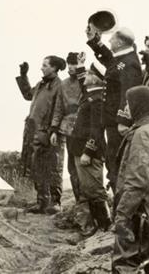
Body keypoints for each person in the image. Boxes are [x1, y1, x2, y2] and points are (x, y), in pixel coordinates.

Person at [111, 86, 149, 274]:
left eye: (128, 104)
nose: (125, 109)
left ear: (138, 105)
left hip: (141, 210)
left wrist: (122, 215)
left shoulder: (142, 134)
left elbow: (137, 181)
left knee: (126, 260)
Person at [86, 26, 143, 189]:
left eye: (112, 39)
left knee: (117, 165)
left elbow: (129, 92)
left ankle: (123, 209)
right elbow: (110, 60)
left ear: (119, 42)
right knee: (113, 164)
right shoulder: (123, 59)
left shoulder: (130, 63)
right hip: (113, 122)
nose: (109, 41)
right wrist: (95, 43)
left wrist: (124, 120)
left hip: (119, 125)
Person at [16, 56, 66, 214]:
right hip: (35, 132)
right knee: (37, 166)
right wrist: (23, 76)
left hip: (50, 133)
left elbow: (61, 110)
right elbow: (27, 95)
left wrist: (54, 130)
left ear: (54, 68)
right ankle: (41, 201)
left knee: (53, 167)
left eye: (45, 65)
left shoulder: (60, 86)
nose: (42, 68)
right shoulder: (40, 85)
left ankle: (55, 202)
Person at [68, 63, 110, 236]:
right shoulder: (91, 95)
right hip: (79, 149)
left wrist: (88, 151)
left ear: (95, 78)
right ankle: (97, 227)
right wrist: (79, 66)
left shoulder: (98, 99)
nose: (85, 76)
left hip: (88, 152)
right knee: (88, 189)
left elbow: (97, 129)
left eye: (88, 73)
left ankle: (105, 226)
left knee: (94, 190)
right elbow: (82, 82)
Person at [53, 52, 85, 214]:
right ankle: (79, 200)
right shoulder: (63, 85)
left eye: (74, 64)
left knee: (83, 166)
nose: (71, 67)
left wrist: (82, 68)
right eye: (70, 64)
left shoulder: (84, 80)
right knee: (71, 167)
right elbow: (58, 108)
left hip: (82, 128)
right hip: (66, 128)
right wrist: (54, 129)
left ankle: (87, 202)